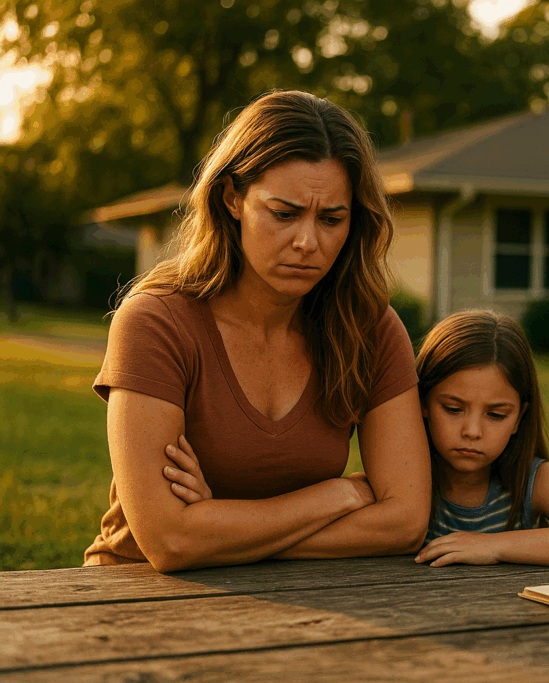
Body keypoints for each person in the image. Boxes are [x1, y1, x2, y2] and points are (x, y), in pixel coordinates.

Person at [84, 90, 431, 572]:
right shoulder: (157, 320)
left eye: (332, 219)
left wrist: (218, 532)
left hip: (300, 599)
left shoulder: (367, 326)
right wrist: (337, 495)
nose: (308, 242)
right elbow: (170, 541)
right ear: (232, 197)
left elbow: (405, 521)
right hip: (128, 598)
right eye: (284, 214)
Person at [410, 310, 549, 568]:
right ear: (423, 402)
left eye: (496, 414)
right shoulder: (403, 478)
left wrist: (492, 545)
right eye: (453, 409)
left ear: (519, 417)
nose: (472, 431)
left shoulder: (532, 480)